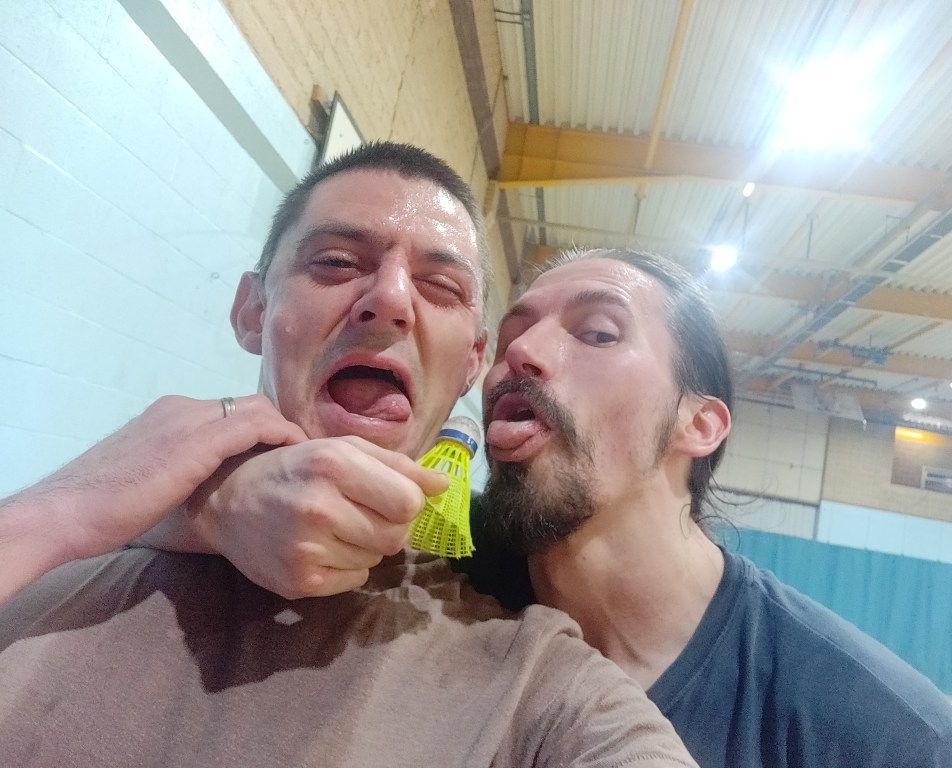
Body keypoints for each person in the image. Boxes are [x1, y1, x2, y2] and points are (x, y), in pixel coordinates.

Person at [0, 146, 697, 767]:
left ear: (472, 362)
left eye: (441, 287)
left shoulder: (535, 685)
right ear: (252, 310)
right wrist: (73, 509)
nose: (390, 299)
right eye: (336, 262)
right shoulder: (61, 560)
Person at [153, 247, 952, 767]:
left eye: (597, 333)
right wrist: (214, 505)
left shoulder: (883, 734)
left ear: (698, 424)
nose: (521, 352)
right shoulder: (427, 562)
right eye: (514, 330)